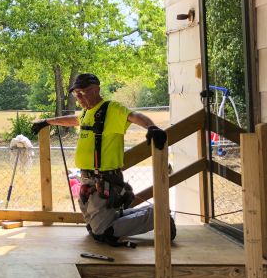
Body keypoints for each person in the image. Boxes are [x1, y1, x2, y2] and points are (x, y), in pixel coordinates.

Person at [31, 73, 175, 246]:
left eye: (83, 92)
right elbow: (74, 120)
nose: (79, 97)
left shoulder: (111, 109)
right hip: (88, 180)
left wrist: (152, 127)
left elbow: (134, 115)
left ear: (96, 89)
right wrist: (48, 122)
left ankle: (159, 217)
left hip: (104, 179)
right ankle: (151, 212)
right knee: (94, 229)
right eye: (76, 93)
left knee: (103, 232)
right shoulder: (87, 112)